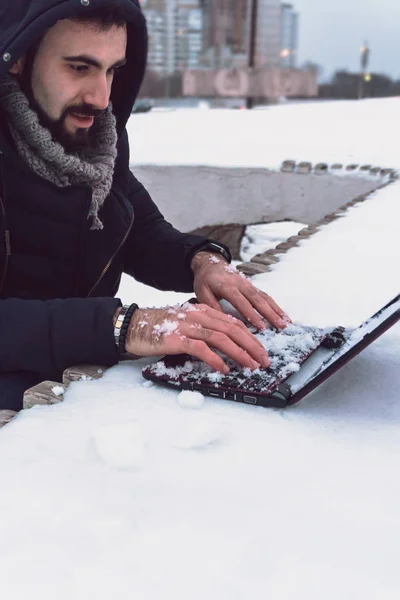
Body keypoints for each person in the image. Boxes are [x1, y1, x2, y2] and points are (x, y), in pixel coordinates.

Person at [0, 0, 290, 414]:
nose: (101, 98)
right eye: (79, 68)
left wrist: (201, 261)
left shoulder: (97, 145)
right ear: (18, 58)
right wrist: (124, 327)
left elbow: (138, 231)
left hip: (75, 391)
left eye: (113, 70)